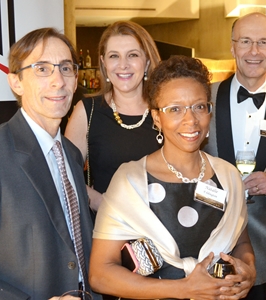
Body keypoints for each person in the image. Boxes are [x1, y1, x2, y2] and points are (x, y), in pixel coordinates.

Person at [89, 55, 256, 299]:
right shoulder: (131, 181)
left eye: (199, 106)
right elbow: (100, 275)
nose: (191, 120)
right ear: (157, 118)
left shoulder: (228, 176)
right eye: (175, 109)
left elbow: (240, 244)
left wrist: (248, 271)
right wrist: (184, 289)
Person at [202, 12, 266, 300]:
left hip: (263, 240)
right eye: (245, 41)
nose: (253, 51)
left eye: (263, 42)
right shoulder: (202, 99)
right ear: (232, 46)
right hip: (204, 236)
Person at [0, 28, 102, 300]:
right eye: (42, 69)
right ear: (16, 82)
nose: (58, 81)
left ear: (76, 81)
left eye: (66, 68)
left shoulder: (72, 155)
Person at [65, 21, 161, 212]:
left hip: (162, 231)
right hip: (106, 231)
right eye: (114, 56)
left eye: (132, 55)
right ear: (103, 63)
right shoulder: (87, 110)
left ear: (147, 61)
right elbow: (65, 175)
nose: (123, 65)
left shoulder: (166, 109)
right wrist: (102, 204)